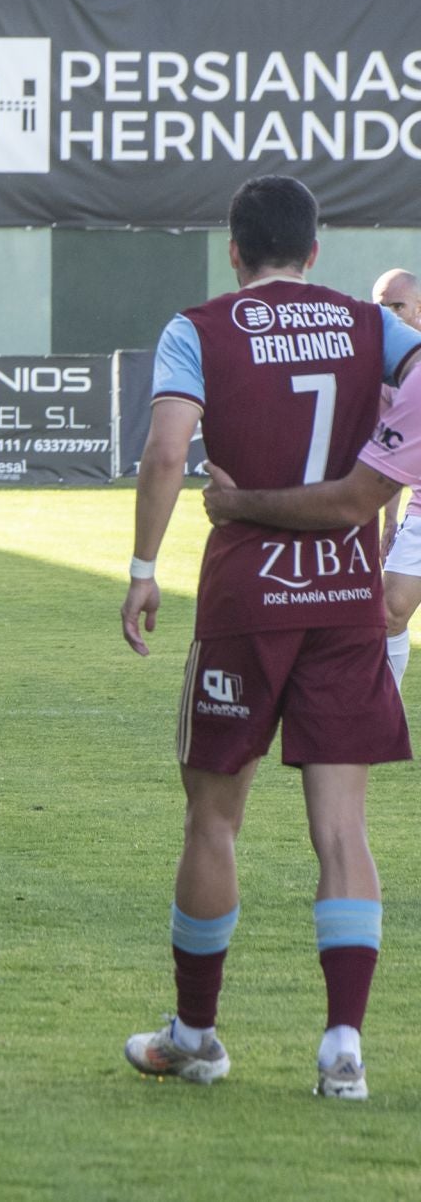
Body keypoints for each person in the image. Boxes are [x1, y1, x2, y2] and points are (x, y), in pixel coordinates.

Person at [118, 175, 421, 1101]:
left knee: (214, 819)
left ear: (234, 250)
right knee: (342, 830)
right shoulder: (380, 330)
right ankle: (342, 1046)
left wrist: (141, 568)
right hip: (348, 596)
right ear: (318, 252)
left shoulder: (196, 327)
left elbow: (170, 452)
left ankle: (198, 1035)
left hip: (246, 597)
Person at [370, 268, 421, 686]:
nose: (389, 316)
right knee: (389, 612)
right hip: (420, 512)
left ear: (419, 308)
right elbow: (389, 457)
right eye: (381, 308)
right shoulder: (388, 374)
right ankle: (385, 717)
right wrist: (388, 521)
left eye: (397, 306)